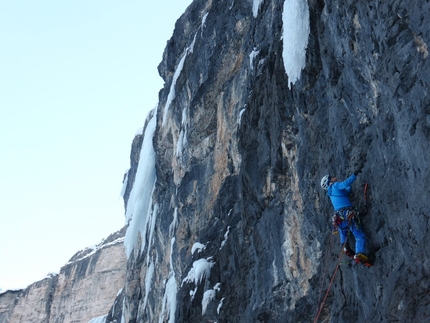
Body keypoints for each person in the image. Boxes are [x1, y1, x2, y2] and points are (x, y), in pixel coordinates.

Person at [321, 169, 372, 267]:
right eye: (331, 177)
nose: (334, 177)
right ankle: (359, 253)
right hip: (347, 213)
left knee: (343, 229)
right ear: (330, 181)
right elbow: (344, 184)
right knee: (359, 235)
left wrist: (349, 188)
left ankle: (345, 244)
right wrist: (354, 175)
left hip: (340, 216)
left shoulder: (331, 193)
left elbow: (346, 191)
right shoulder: (335, 185)